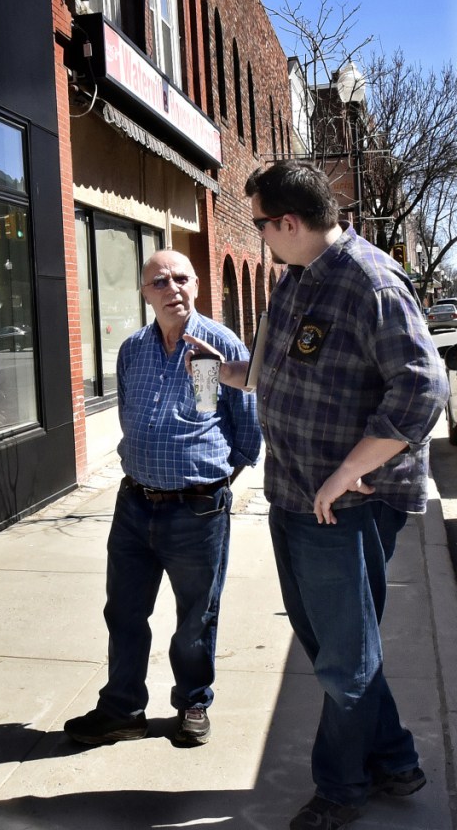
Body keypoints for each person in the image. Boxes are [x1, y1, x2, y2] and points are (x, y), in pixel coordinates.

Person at [189, 161, 448, 830]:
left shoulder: (369, 279)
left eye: (260, 224)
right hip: (295, 495)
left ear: (290, 222)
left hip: (346, 504)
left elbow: (423, 385)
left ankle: (341, 786)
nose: (260, 236)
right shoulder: (296, 278)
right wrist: (216, 371)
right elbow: (278, 375)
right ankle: (393, 756)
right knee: (333, 642)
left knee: (344, 655)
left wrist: (347, 471)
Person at [64, 250, 261, 749]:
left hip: (197, 509)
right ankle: (122, 709)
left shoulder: (214, 346)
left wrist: (212, 481)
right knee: (124, 612)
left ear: (195, 284)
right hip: (134, 505)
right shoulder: (132, 349)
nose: (171, 287)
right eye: (159, 281)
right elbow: (132, 414)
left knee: (196, 615)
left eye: (180, 278)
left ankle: (193, 702)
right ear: (145, 292)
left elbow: (243, 427)